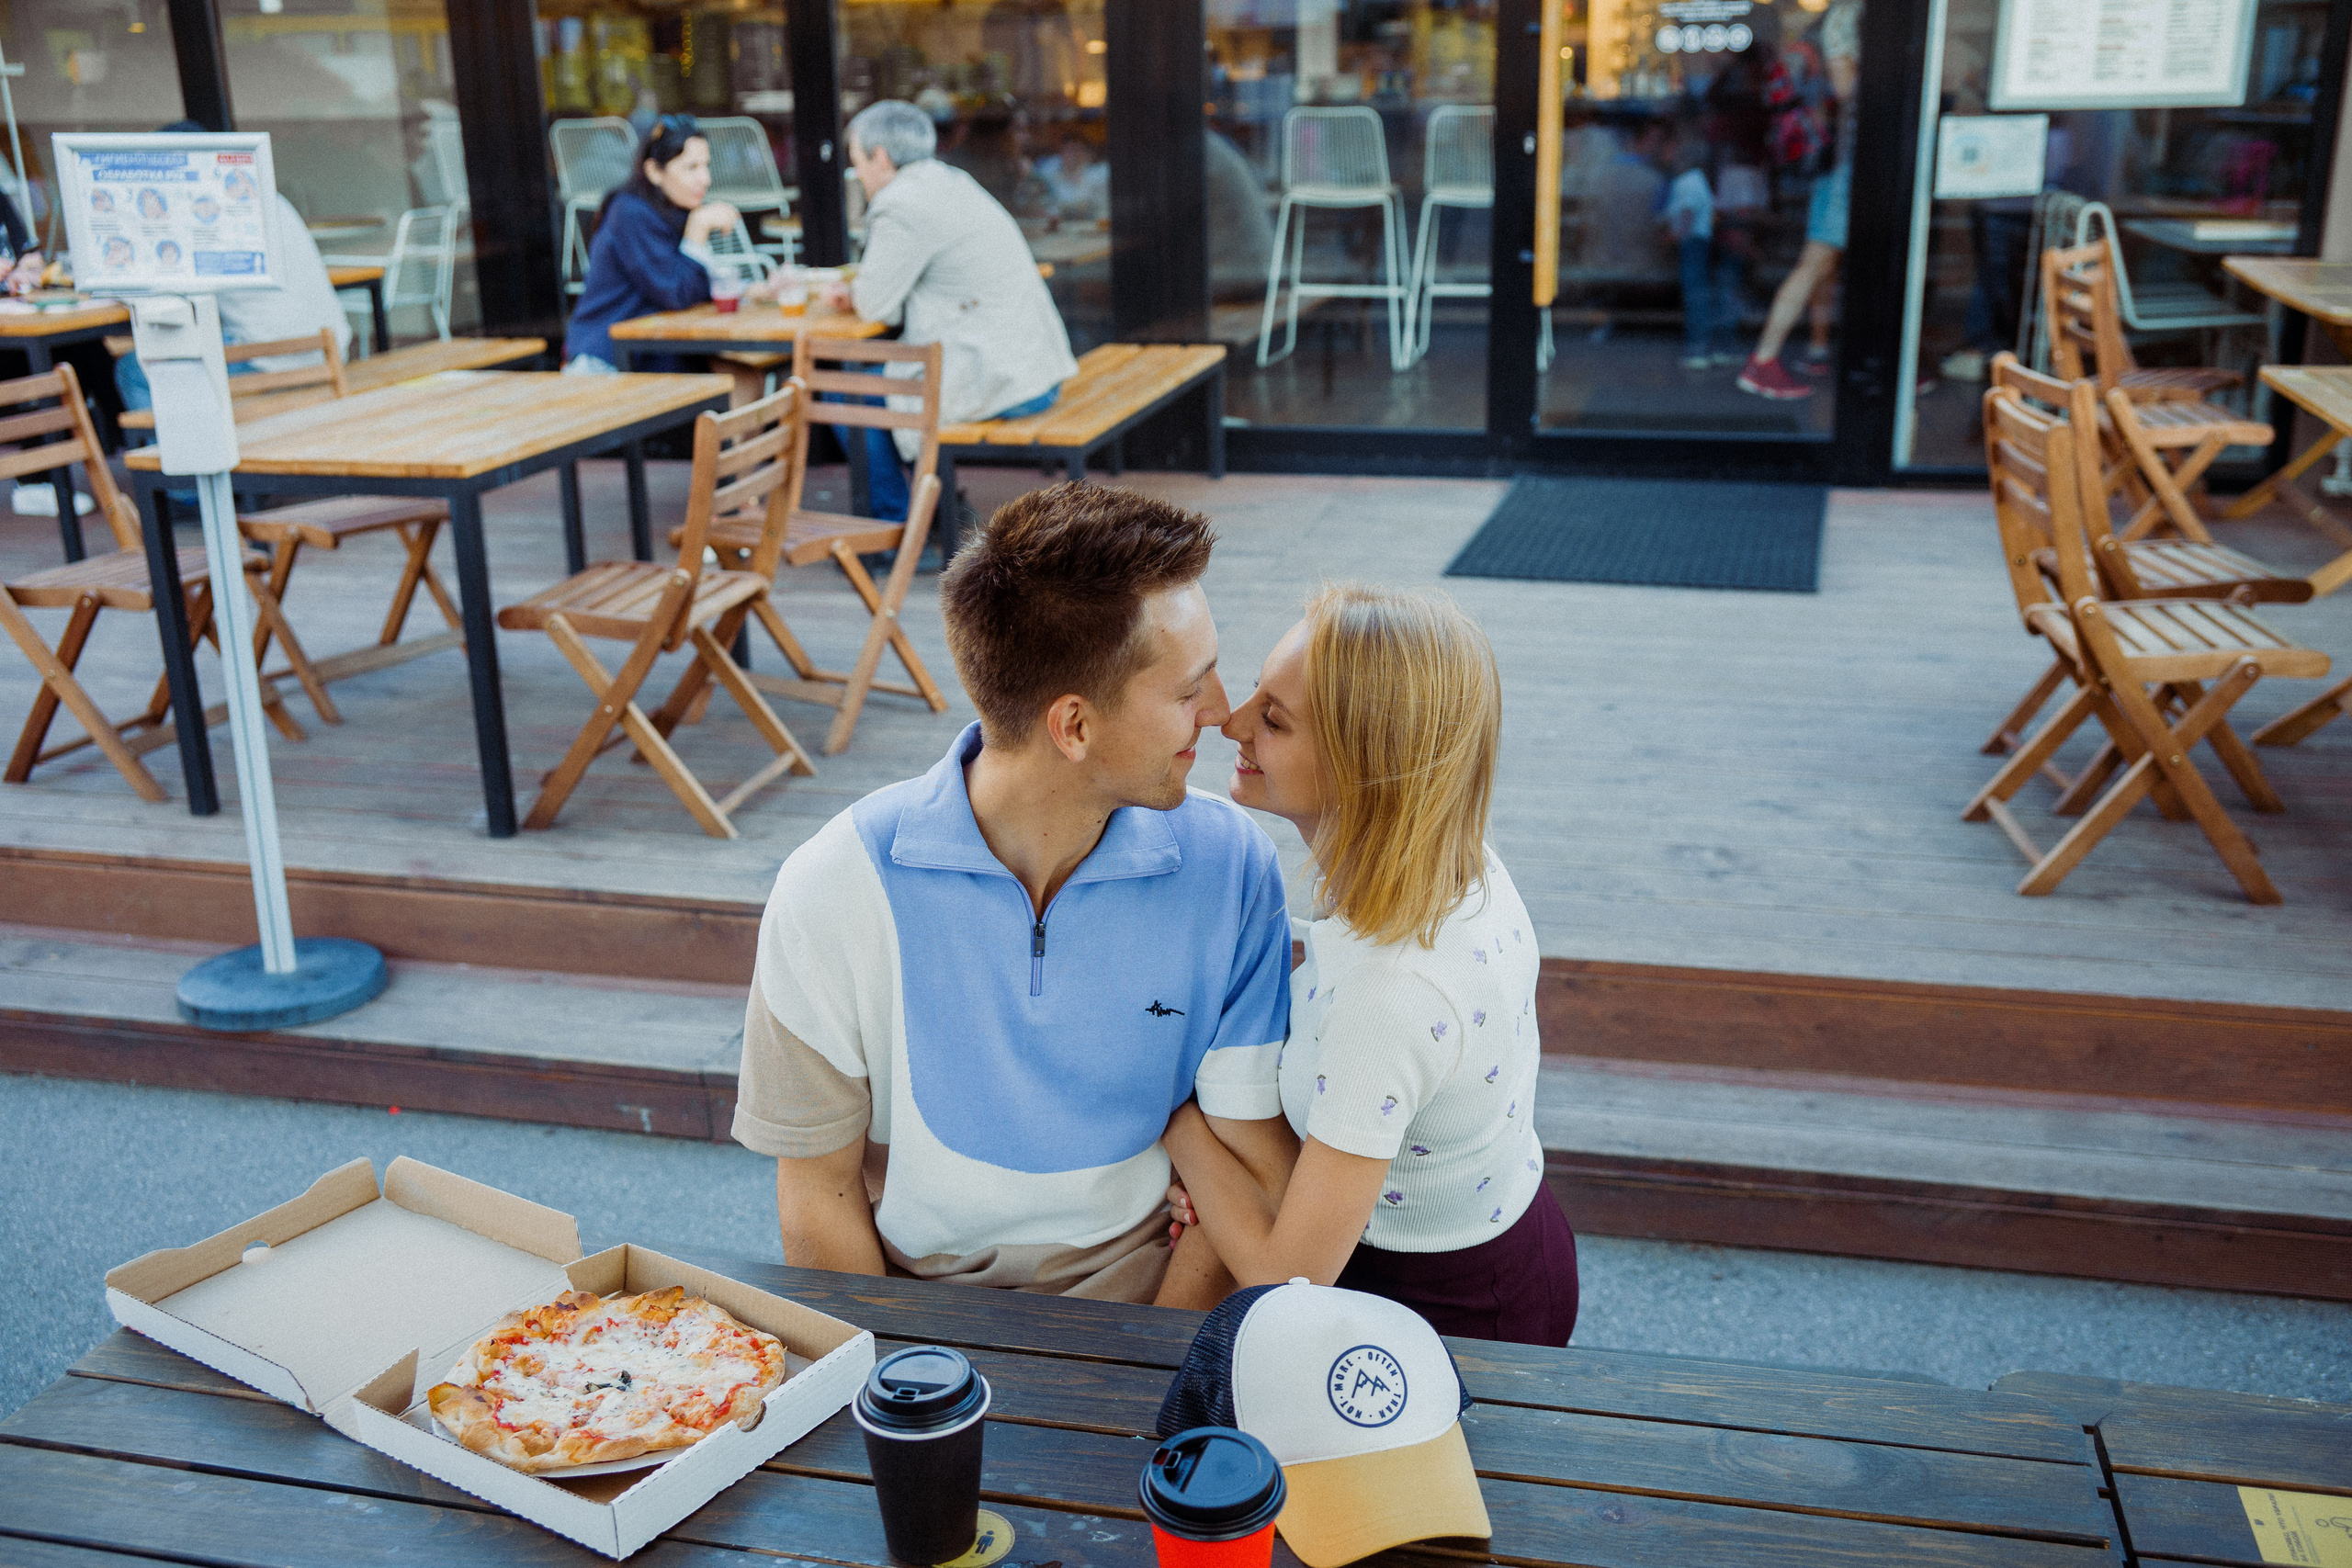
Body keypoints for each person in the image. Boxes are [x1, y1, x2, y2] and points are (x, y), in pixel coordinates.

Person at [730, 482, 1293, 1307]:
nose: (1222, 711)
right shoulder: (831, 886)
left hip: (1154, 1306)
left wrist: (1155, 1366)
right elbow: (818, 1193)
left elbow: (1247, 1172)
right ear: (1074, 727)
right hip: (919, 1313)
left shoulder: (1234, 867)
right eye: (1188, 690)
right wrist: (900, 1369)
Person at [1159, 584, 1578, 1347]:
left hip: (1450, 1313)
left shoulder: (1390, 994)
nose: (1232, 721)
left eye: (1275, 719)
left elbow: (1286, 1278)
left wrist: (1178, 1120)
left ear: (1365, 768)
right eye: (1255, 691)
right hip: (1510, 1238)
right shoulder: (1458, 863)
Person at [823, 100, 1078, 524]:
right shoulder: (951, 180)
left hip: (1003, 380)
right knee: (882, 382)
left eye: (857, 163)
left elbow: (875, 304)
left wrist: (850, 293)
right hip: (1035, 368)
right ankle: (939, 510)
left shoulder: (900, 203)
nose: (858, 175)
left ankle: (900, 528)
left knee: (845, 393)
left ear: (880, 157)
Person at [116, 119, 352, 414]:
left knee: (132, 370)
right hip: (331, 349)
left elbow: (165, 291)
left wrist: (109, 283)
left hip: (272, 359)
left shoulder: (202, 213)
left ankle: (192, 445)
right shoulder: (269, 197)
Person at [1736, 0, 1860, 400]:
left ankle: (1819, 350)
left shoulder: (1829, 21)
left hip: (1837, 160)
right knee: (1815, 261)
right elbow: (1844, 88)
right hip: (1844, 162)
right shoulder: (1846, 16)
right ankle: (1764, 360)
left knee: (1825, 262)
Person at [561, 115, 741, 375]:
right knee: (735, 381)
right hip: (608, 361)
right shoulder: (629, 213)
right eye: (691, 167)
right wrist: (698, 230)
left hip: (656, 352)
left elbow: (696, 288)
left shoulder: (674, 209)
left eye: (706, 166)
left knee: (744, 379)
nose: (705, 179)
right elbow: (676, 293)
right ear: (655, 172)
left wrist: (755, 291)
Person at [1035, 132, 1108, 221]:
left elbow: (1099, 207)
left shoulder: (1096, 175)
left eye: (1075, 150)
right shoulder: (1050, 177)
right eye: (1066, 150)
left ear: (1084, 152)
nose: (1071, 154)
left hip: (1089, 224)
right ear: (1060, 153)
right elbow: (1046, 208)